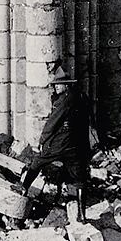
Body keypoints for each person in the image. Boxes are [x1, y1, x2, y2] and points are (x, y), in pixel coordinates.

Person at [21, 70, 94, 218]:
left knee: (37, 162)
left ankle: (23, 189)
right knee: (80, 179)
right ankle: (82, 214)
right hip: (75, 145)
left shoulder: (64, 101)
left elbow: (52, 122)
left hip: (60, 143)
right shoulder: (81, 96)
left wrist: (42, 140)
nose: (56, 87)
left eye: (59, 85)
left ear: (67, 85)